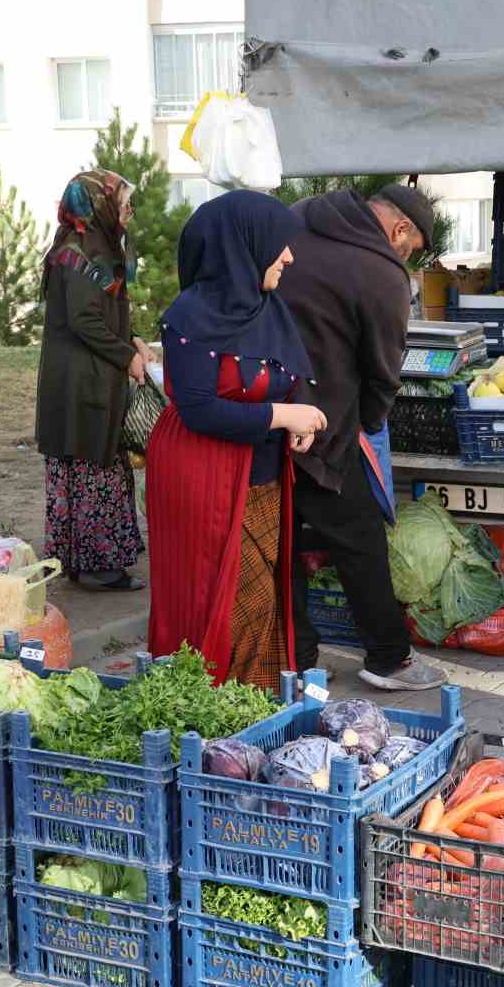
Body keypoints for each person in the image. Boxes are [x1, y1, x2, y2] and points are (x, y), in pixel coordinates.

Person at [144, 192, 328, 689]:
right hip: (204, 477)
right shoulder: (190, 317)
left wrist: (297, 423)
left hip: (261, 476)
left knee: (261, 595)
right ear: (242, 247)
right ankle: (215, 716)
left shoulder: (268, 309)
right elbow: (199, 409)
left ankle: (253, 712)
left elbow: (288, 373)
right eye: (277, 245)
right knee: (222, 597)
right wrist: (283, 414)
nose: (287, 256)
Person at [278, 183, 448, 692]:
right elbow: (382, 368)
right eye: (410, 247)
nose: (405, 256)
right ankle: (389, 659)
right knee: (359, 538)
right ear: (399, 229)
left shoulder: (299, 215)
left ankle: (296, 657)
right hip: (326, 419)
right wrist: (368, 423)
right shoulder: (382, 271)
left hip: (263, 408)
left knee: (280, 538)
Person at [35, 169, 153, 592]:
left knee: (88, 467)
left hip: (83, 379)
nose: (129, 211)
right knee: (93, 466)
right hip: (82, 384)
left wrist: (133, 337)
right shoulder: (80, 251)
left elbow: (106, 309)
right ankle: (99, 570)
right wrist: (126, 358)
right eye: (123, 203)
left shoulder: (90, 245)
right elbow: (85, 319)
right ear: (100, 206)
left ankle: (87, 563)